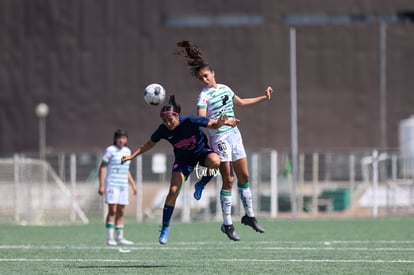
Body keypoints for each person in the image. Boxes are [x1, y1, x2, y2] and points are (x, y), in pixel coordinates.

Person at [177, 40, 273, 241]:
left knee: (244, 176)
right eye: (201, 78)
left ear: (213, 73)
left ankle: (249, 216)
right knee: (228, 180)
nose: (204, 79)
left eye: (206, 75)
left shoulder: (225, 89)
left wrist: (263, 98)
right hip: (219, 138)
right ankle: (227, 223)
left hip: (235, 134)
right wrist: (219, 122)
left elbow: (241, 102)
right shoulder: (203, 96)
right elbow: (201, 119)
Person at [121, 95, 239, 245]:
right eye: (164, 121)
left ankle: (201, 184)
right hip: (183, 161)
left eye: (170, 120)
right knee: (173, 190)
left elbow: (213, 124)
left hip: (202, 153)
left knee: (216, 161)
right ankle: (165, 228)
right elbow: (149, 144)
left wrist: (224, 122)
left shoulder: (190, 121)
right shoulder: (163, 129)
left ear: (177, 116)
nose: (167, 123)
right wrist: (132, 156)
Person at [98, 129, 137, 246]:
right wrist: (101, 185)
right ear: (115, 139)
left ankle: (120, 237)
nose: (121, 140)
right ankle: (110, 239)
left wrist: (133, 184)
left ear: (126, 139)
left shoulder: (127, 151)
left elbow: (126, 170)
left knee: (121, 211)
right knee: (112, 211)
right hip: (112, 185)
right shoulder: (110, 150)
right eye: (119, 138)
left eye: (124, 138)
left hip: (123, 186)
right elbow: (102, 167)